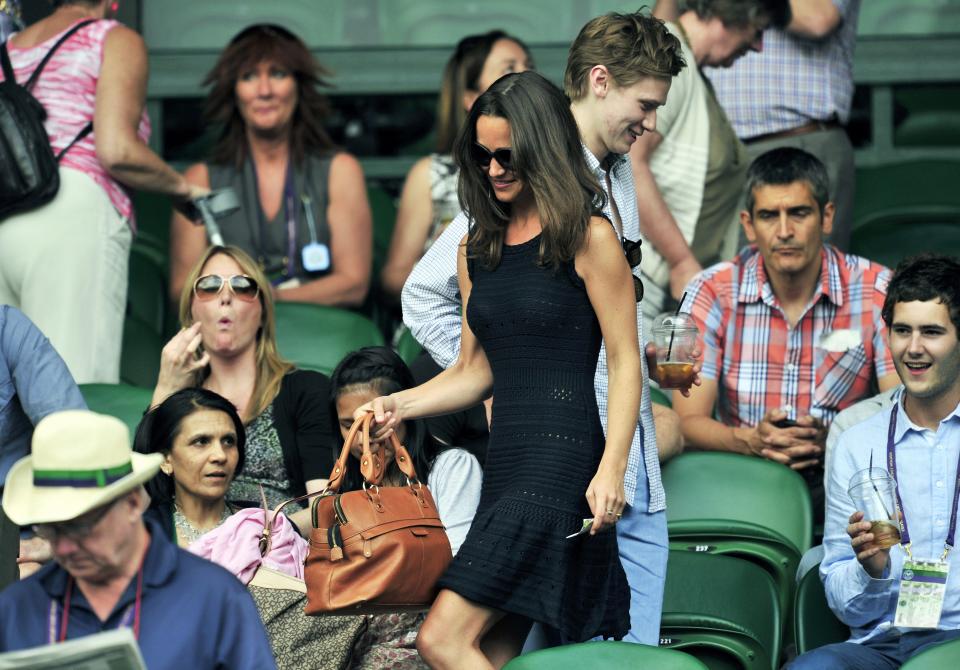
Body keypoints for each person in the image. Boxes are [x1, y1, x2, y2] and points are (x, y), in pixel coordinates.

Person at [401, 12, 687, 647]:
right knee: (476, 645)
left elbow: (616, 348)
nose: (651, 123)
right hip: (551, 465)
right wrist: (512, 380)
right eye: (644, 104)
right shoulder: (516, 184)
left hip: (618, 468)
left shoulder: (614, 177)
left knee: (606, 661)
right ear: (601, 81)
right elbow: (423, 296)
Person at [371, 69, 647, 669]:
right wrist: (399, 404)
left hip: (562, 463)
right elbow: (475, 371)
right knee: (486, 656)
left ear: (543, 148)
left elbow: (627, 361)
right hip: (509, 464)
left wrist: (613, 469)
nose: (494, 169)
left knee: (439, 639)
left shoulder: (590, 236)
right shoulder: (477, 247)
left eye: (508, 155)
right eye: (482, 155)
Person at [674, 147, 900, 523]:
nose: (784, 231)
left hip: (847, 475)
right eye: (768, 216)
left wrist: (837, 437)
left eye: (799, 212)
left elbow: (900, 407)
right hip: (743, 476)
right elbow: (687, 421)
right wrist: (749, 441)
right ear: (748, 225)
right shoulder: (710, 291)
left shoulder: (877, 288)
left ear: (826, 217)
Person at [0, 0, 208, 384]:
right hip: (72, 213)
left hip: (7, 217)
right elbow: (117, 151)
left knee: (9, 403)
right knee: (73, 388)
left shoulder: (9, 48)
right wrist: (181, 188)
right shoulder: (113, 38)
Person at [0, 410, 276, 669]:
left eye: (82, 527)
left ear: (132, 503)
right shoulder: (17, 607)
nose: (64, 547)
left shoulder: (215, 597)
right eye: (51, 529)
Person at [789, 253, 960, 669]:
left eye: (932, 332)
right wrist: (872, 570)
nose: (914, 348)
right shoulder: (856, 442)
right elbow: (843, 605)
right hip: (885, 644)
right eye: (902, 331)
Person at [134, 388, 363, 670]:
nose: (219, 455)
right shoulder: (144, 538)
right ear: (166, 460)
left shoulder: (264, 526)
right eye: (201, 442)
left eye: (228, 441)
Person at [169, 23, 372, 308]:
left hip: (318, 336)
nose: (264, 91)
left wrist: (268, 298)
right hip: (230, 339)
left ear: (299, 86)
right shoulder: (200, 179)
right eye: (248, 77)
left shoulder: (340, 170)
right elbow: (183, 288)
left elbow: (353, 284)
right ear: (233, 91)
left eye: (278, 74)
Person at [630, 0, 790, 326]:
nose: (758, 46)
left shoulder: (689, 68)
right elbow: (631, 164)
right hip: (645, 288)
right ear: (732, 14)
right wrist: (680, 261)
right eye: (756, 30)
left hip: (667, 294)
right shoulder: (670, 58)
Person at [151, 245, 333, 526]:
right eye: (209, 286)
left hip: (281, 556)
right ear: (191, 311)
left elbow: (325, 510)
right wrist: (165, 388)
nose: (225, 297)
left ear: (263, 312)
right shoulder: (180, 402)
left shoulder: (306, 389)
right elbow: (141, 499)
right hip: (193, 553)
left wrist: (252, 539)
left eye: (243, 286)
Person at [330, 346, 483, 668]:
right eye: (349, 425)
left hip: (428, 625)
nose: (362, 438)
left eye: (372, 422)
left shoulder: (451, 467)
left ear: (400, 413)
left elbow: (457, 558)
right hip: (351, 627)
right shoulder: (347, 486)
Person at [380, 30, 533, 302]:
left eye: (528, 67)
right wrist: (442, 262)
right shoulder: (432, 173)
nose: (526, 77)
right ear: (471, 98)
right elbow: (394, 277)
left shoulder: (550, 168)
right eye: (509, 69)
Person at [700, 0, 862, 249]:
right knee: (715, 282)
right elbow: (664, 35)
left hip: (799, 142)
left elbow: (817, 19)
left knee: (808, 283)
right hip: (711, 152)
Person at [0, 306, 86, 589]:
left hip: (10, 533)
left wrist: (55, 541)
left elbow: (74, 441)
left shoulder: (8, 329)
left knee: (27, 585)